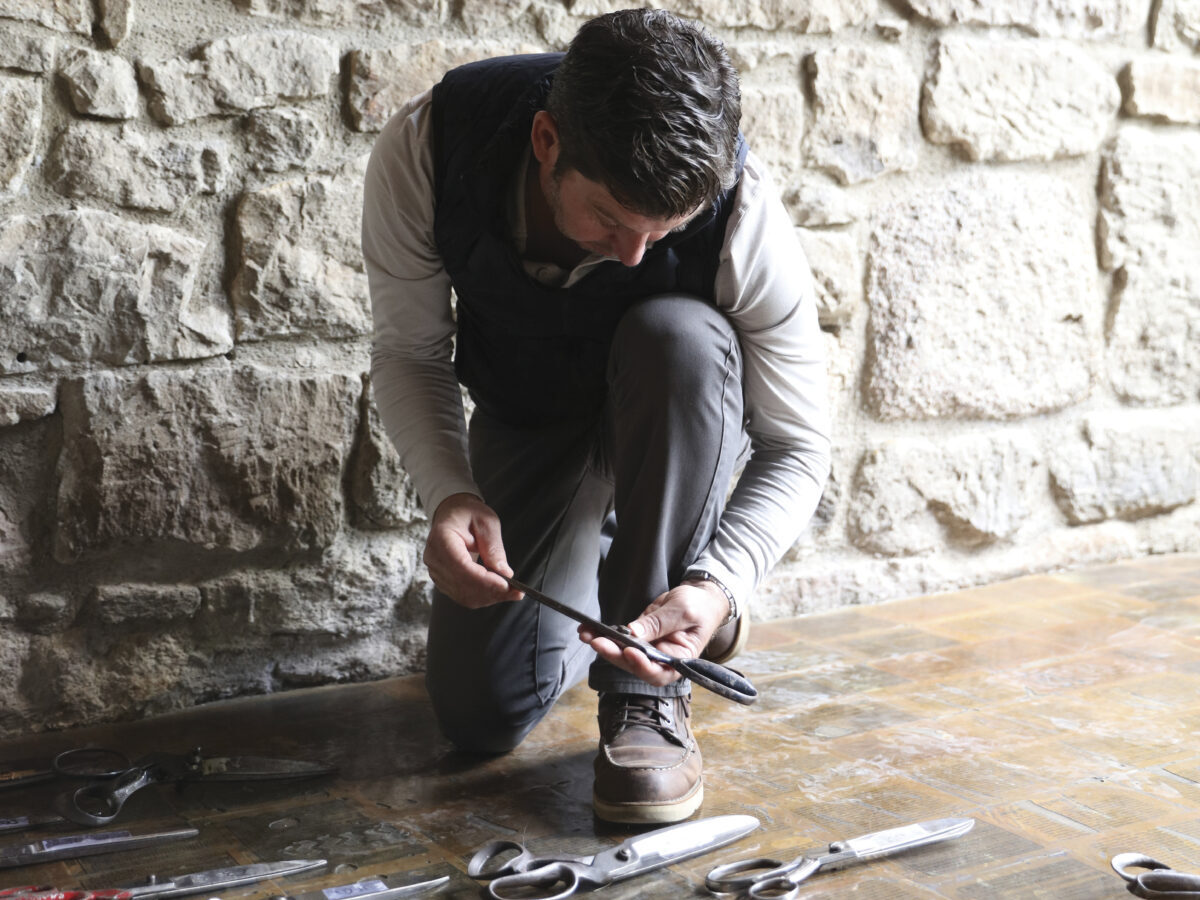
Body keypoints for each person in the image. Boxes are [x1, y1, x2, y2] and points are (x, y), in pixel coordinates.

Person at [362, 7, 830, 824]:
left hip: (672, 411)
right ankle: (631, 568)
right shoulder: (430, 148)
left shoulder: (747, 215)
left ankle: (647, 690)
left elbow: (797, 445)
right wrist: (450, 493)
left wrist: (723, 580)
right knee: (478, 717)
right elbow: (410, 356)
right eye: (610, 218)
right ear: (547, 142)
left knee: (677, 335)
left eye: (666, 231)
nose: (633, 257)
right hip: (532, 413)